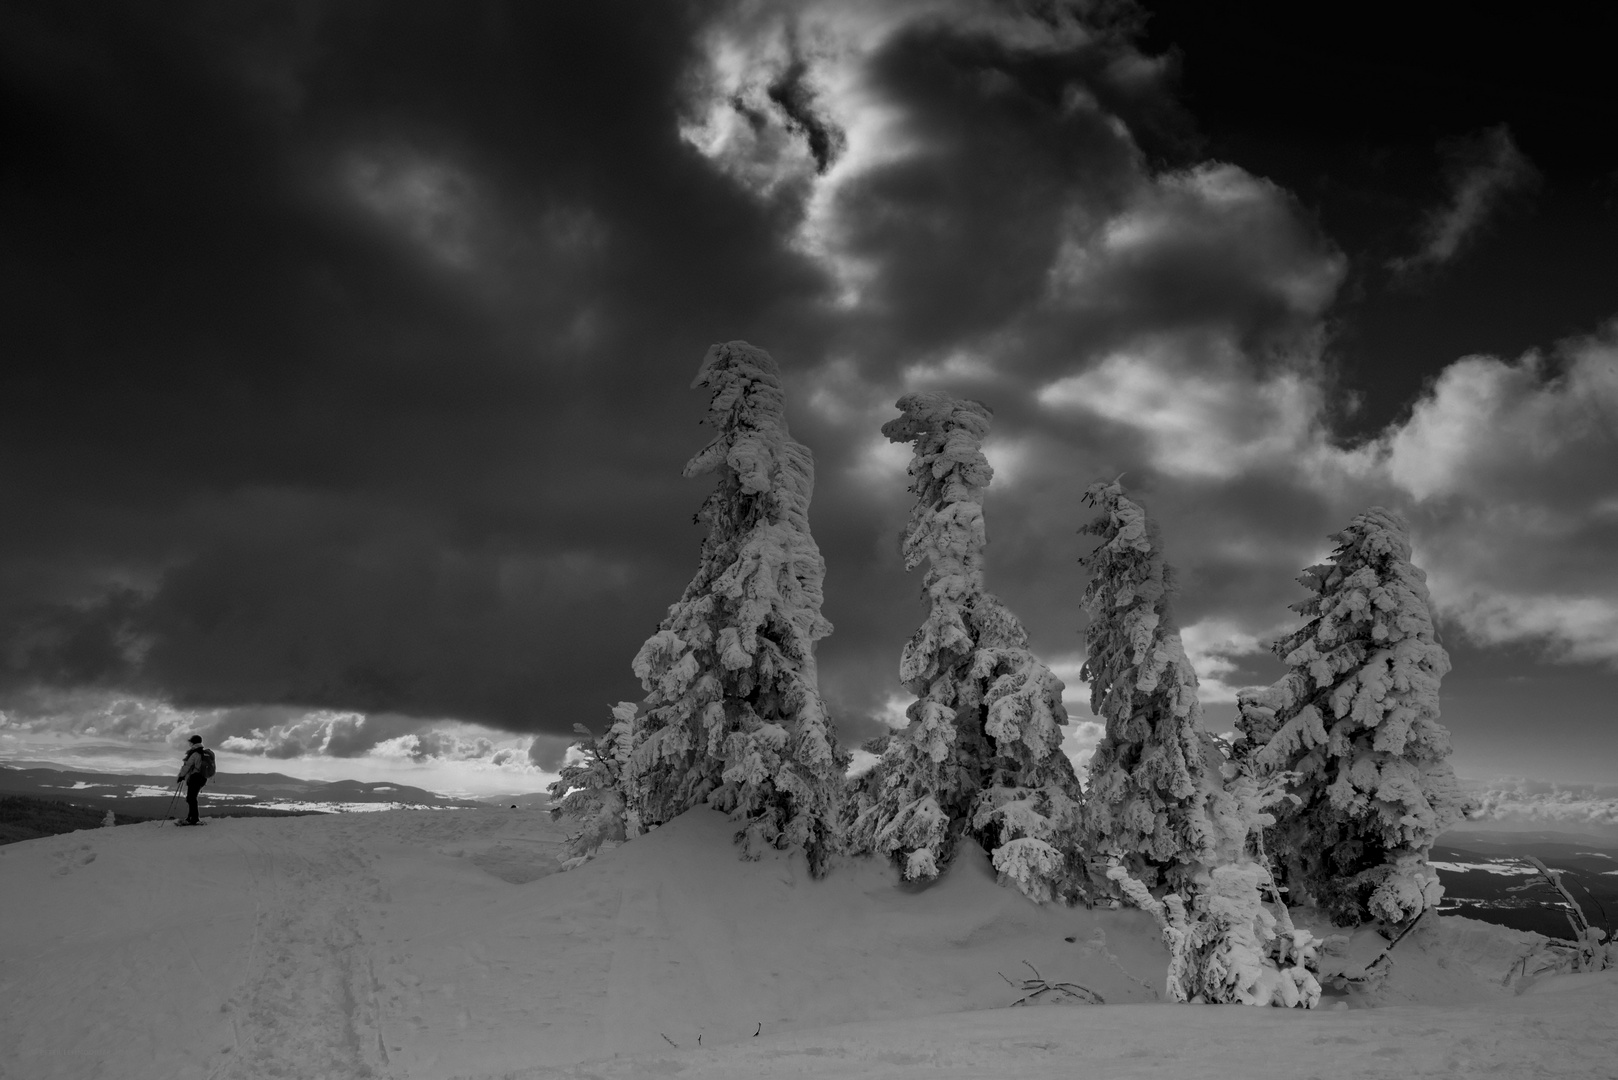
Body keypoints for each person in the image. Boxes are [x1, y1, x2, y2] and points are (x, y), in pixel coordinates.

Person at [176, 735, 209, 825]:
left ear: (193, 743)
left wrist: (181, 776)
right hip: (202, 778)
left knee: (191, 798)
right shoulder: (203, 753)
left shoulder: (194, 753)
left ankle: (193, 818)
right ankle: (191, 817)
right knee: (192, 798)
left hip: (195, 777)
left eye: (191, 742)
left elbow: (187, 765)